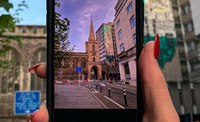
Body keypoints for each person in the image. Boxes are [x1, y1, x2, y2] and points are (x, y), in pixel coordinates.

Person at [27, 34, 180, 122]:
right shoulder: (84, 54)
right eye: (91, 45)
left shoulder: (98, 58)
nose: (92, 47)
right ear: (88, 45)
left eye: (93, 45)